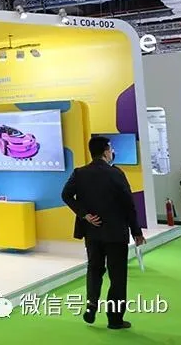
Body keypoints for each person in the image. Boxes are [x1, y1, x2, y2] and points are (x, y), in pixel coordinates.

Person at [61, 135, 145, 329]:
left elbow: (66, 195)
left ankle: (91, 306)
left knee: (94, 269)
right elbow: (128, 205)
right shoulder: (116, 174)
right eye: (111, 149)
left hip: (92, 232)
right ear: (106, 151)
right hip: (116, 233)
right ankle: (114, 319)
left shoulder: (80, 173)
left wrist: (85, 215)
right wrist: (137, 231)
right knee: (117, 276)